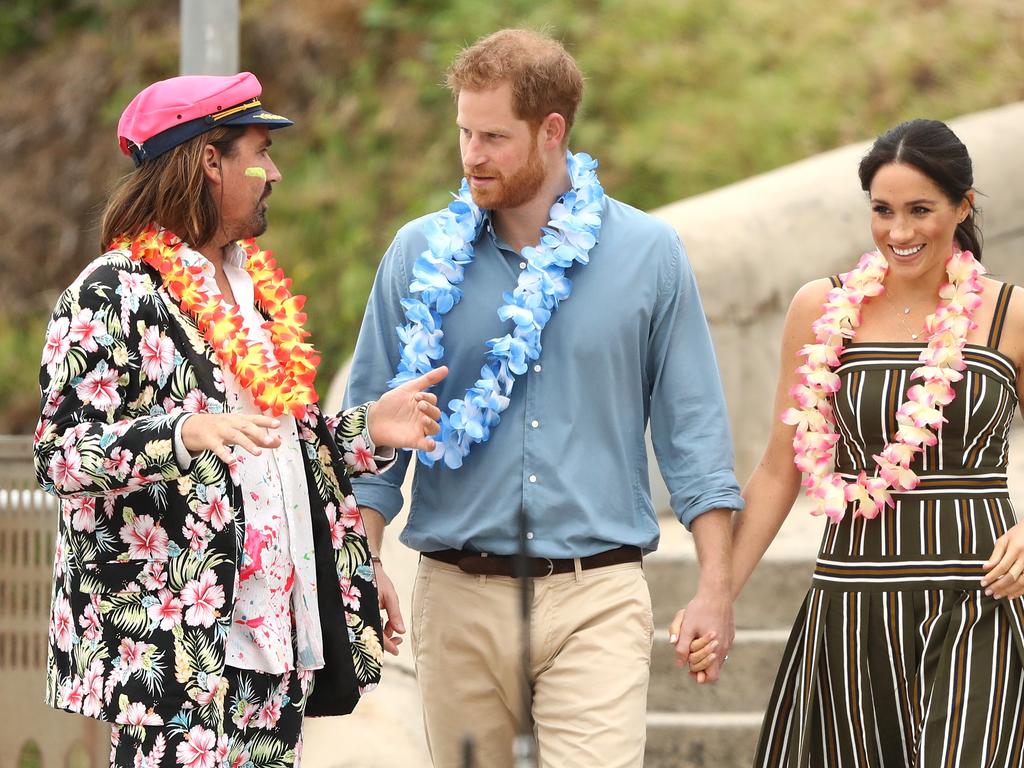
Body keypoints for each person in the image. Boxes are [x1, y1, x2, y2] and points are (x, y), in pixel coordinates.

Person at [344, 28, 743, 768]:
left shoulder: (648, 255)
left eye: (494, 135)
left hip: (597, 592)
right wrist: (363, 559)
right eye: (464, 131)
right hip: (458, 593)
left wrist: (715, 589)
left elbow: (694, 434)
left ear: (552, 130)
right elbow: (371, 429)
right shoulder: (417, 255)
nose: (471, 155)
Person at [33, 72, 446, 768]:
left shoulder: (253, 290)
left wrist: (366, 429)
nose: (275, 171)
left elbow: (274, 444)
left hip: (276, 634)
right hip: (173, 654)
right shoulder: (112, 292)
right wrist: (180, 434)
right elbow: (62, 456)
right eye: (260, 150)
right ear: (208, 160)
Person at [687, 118, 1024, 765]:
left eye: (921, 210)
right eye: (883, 211)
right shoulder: (821, 307)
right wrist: (716, 594)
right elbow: (779, 469)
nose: (900, 232)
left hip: (977, 602)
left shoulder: (1009, 315)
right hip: (853, 607)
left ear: (963, 206)